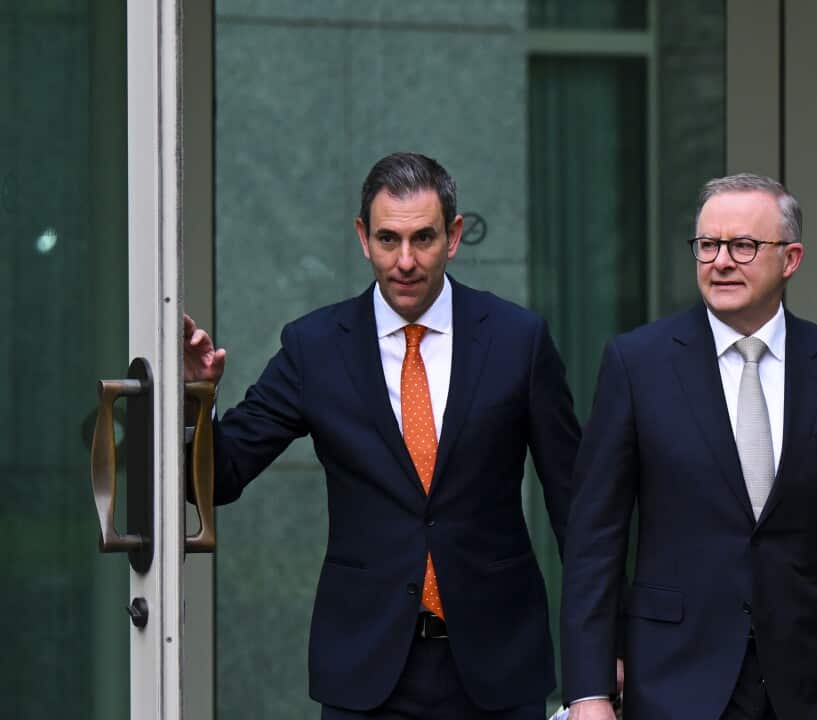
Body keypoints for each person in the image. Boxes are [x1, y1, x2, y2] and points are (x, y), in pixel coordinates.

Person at [183, 153, 580, 719]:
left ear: (455, 235)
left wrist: (601, 653)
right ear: (362, 238)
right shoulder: (314, 347)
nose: (406, 261)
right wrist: (196, 398)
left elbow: (576, 507)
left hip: (498, 663)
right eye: (389, 239)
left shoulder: (519, 340)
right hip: (366, 670)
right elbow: (220, 476)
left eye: (424, 238)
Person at [559, 174, 817, 720]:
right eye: (708, 245)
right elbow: (594, 539)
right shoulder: (638, 364)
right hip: (678, 675)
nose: (721, 261)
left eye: (743, 245)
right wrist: (589, 689)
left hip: (815, 680)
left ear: (790, 259)